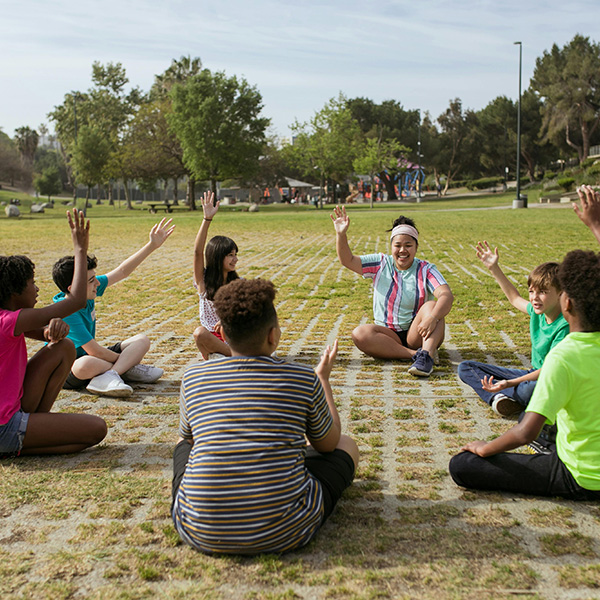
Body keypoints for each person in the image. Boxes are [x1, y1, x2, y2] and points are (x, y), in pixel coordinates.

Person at [172, 278, 359, 554]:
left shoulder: (193, 378)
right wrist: (323, 381)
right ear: (273, 336)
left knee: (182, 442)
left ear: (221, 333)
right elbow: (328, 444)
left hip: (199, 529)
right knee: (347, 445)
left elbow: (189, 439)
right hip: (288, 530)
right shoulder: (303, 378)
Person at [449, 247, 600, 500]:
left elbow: (525, 434)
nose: (535, 297)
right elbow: (513, 297)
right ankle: (509, 403)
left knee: (463, 464)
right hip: (537, 384)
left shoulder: (563, 356)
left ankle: (527, 416)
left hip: (581, 477)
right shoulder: (555, 335)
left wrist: (485, 448)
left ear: (567, 302)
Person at [0, 209, 107, 456]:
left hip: (13, 410)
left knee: (65, 346)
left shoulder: (12, 320)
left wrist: (52, 330)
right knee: (96, 429)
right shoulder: (10, 321)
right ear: (15, 293)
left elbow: (46, 334)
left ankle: (29, 434)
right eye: (31, 284)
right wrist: (80, 249)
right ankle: (15, 446)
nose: (37, 289)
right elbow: (76, 301)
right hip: (5, 425)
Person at [52, 218, 175, 397]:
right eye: (91, 280)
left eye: (95, 278)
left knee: (141, 340)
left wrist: (151, 246)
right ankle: (124, 370)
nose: (97, 283)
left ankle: (111, 374)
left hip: (96, 357)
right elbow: (93, 351)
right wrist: (129, 361)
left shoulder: (86, 290)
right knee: (85, 364)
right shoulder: (66, 311)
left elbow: (122, 271)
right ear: (73, 288)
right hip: (70, 368)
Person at [331, 206, 453, 377]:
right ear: (391, 247)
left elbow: (446, 295)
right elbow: (347, 260)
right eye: (398, 245)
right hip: (388, 335)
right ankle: (418, 355)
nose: (403, 250)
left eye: (408, 245)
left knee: (433, 306)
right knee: (359, 334)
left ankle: (426, 354)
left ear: (416, 247)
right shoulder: (381, 263)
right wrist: (341, 234)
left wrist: (432, 318)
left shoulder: (426, 269)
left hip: (418, 332)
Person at [457, 243, 568, 417]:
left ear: (561, 293)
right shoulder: (537, 312)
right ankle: (499, 399)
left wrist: (509, 383)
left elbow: (549, 370)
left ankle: (504, 395)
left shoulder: (565, 326)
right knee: (466, 367)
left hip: (549, 380)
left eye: (543, 292)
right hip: (532, 374)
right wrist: (494, 268)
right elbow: (514, 298)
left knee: (527, 390)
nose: (534, 298)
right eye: (531, 291)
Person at [192, 191, 239, 359]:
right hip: (213, 338)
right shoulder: (203, 281)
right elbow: (197, 252)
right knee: (199, 333)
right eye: (230, 255)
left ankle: (230, 357)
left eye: (235, 254)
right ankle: (235, 357)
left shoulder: (238, 283)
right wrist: (207, 219)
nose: (235, 259)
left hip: (235, 336)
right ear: (218, 258)